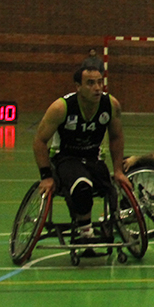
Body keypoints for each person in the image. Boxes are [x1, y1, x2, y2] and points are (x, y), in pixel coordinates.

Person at [33, 66, 130, 244]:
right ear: (78, 86)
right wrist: (46, 176)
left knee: (110, 189)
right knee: (82, 186)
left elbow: (116, 137)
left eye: (100, 82)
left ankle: (116, 221)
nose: (97, 87)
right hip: (65, 157)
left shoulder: (110, 104)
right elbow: (39, 141)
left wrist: (118, 170)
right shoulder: (61, 107)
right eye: (91, 83)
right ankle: (86, 232)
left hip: (93, 157)